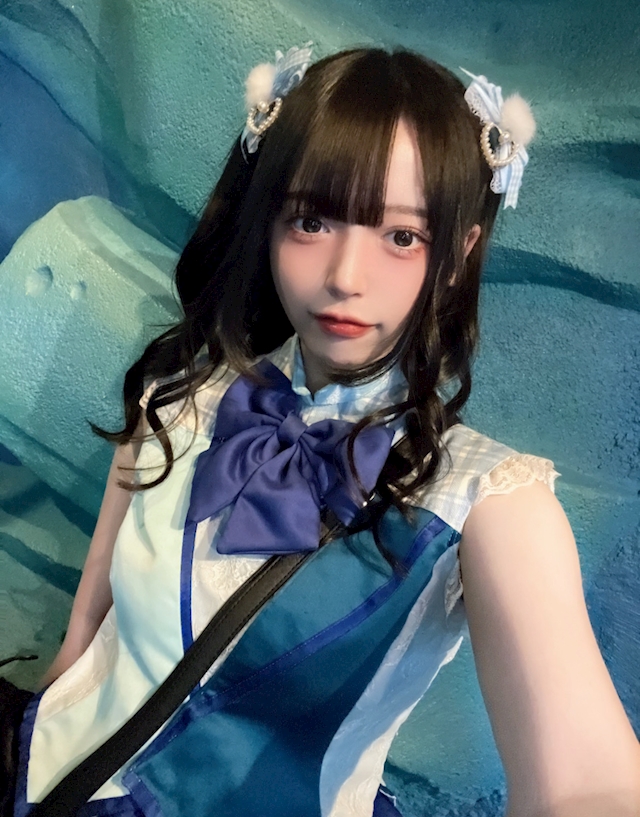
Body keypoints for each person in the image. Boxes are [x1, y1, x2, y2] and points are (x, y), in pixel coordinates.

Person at [15, 46, 640, 817]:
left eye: (402, 236)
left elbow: (589, 784)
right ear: (268, 221)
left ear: (458, 253)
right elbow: (90, 626)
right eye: (312, 220)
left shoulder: (487, 503)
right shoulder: (180, 397)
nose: (346, 275)